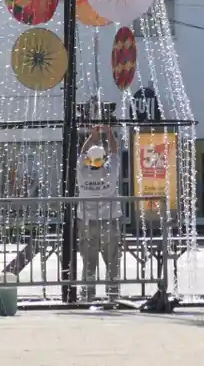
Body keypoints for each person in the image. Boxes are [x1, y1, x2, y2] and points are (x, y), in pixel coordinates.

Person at [76, 123, 123, 303]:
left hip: (87, 222)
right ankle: (113, 294)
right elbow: (115, 152)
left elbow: (82, 153)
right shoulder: (110, 172)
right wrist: (109, 133)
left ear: (89, 160)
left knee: (89, 260)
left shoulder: (82, 173)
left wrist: (91, 137)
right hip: (109, 221)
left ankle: (88, 294)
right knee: (112, 259)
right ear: (103, 159)